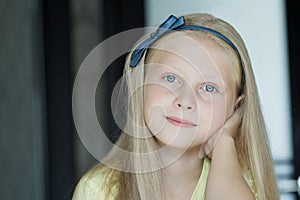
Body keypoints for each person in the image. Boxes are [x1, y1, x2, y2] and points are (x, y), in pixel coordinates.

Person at [72, 13, 279, 200]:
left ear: (236, 108)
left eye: (208, 88)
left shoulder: (240, 185)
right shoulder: (100, 191)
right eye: (171, 78)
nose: (185, 101)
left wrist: (225, 142)